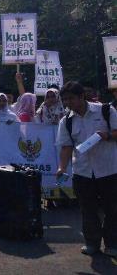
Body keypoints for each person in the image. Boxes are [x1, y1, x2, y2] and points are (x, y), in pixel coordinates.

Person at [56, 81, 117, 257]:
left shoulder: (105, 110)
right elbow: (66, 147)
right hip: (82, 172)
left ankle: (112, 244)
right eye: (65, 99)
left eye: (71, 99)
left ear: (82, 96)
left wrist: (105, 136)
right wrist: (61, 167)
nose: (68, 103)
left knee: (112, 209)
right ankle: (92, 243)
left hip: (109, 169)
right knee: (88, 210)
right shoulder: (66, 121)